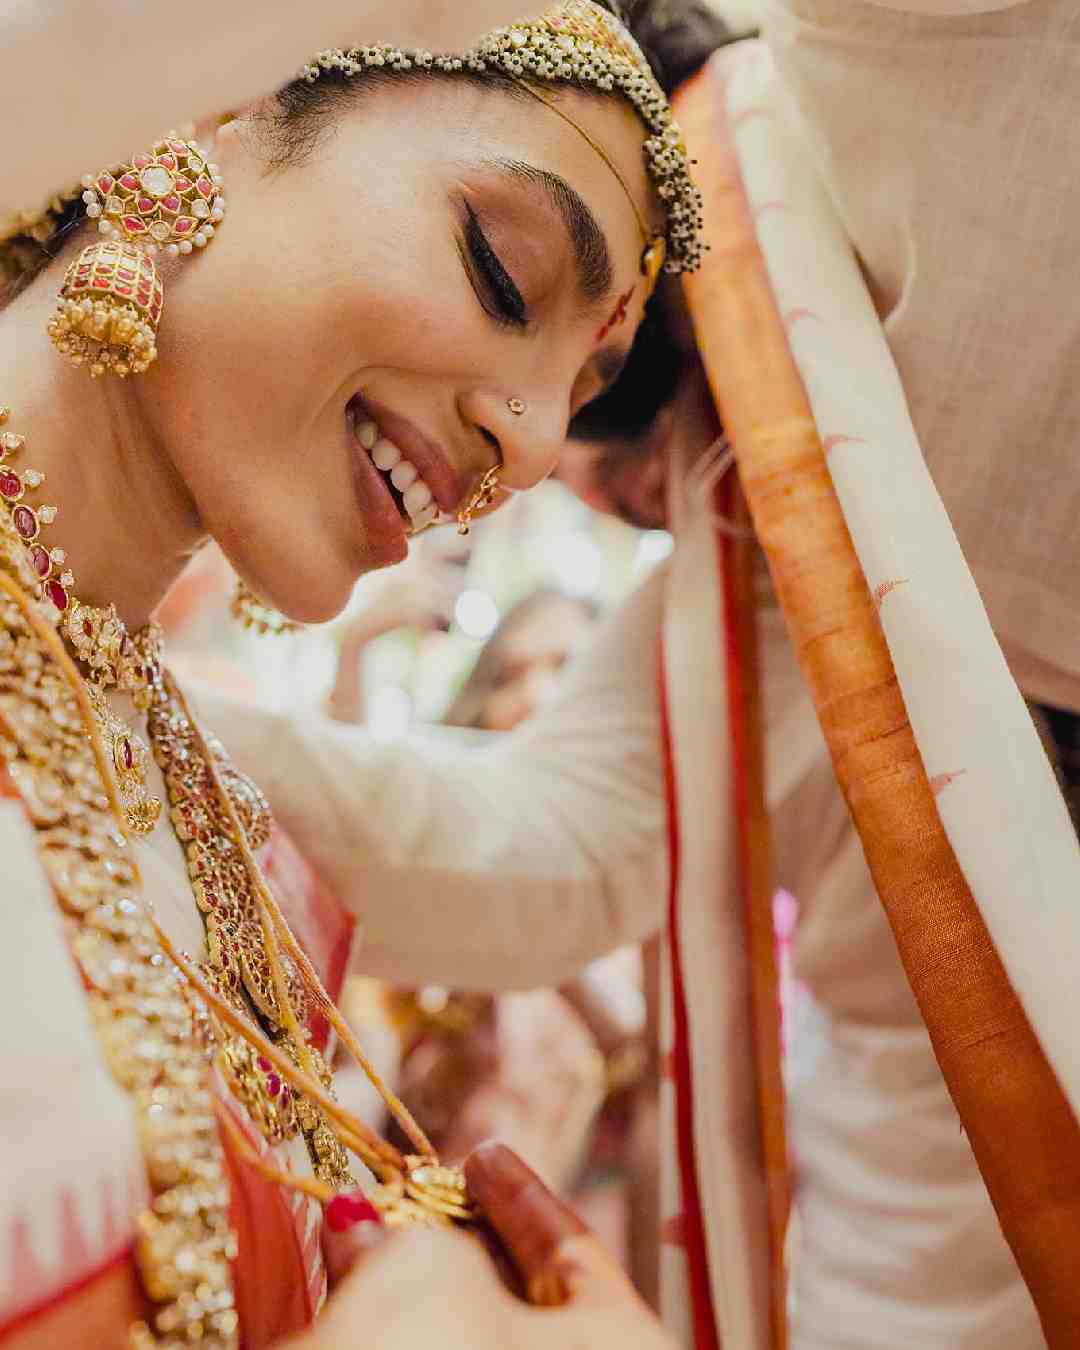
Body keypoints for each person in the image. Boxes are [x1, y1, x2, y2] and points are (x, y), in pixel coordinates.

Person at [194, 1, 1080, 1347]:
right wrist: (97, 707)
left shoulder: (896, 94)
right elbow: (524, 856)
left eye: (595, 375)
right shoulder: (755, 582)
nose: (532, 449)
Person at [0, 2, 706, 1347]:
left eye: (577, 393)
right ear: (213, 109)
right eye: (504, 276)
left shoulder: (222, 824)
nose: (532, 446)